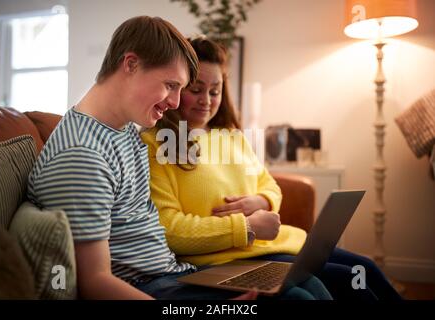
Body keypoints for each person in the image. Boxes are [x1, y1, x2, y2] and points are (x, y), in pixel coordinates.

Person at [27, 16, 331, 300]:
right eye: (171, 85)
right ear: (131, 64)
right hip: (151, 288)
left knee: (305, 283)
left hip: (175, 274)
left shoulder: (122, 131)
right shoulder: (82, 156)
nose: (175, 102)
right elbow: (94, 282)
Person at [141, 36, 401, 300]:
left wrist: (262, 200)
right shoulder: (156, 144)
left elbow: (269, 185)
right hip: (227, 258)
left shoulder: (230, 137)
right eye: (196, 90)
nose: (206, 100)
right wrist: (245, 226)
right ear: (175, 88)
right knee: (346, 279)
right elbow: (169, 228)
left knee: (365, 268)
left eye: (215, 91)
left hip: (278, 243)